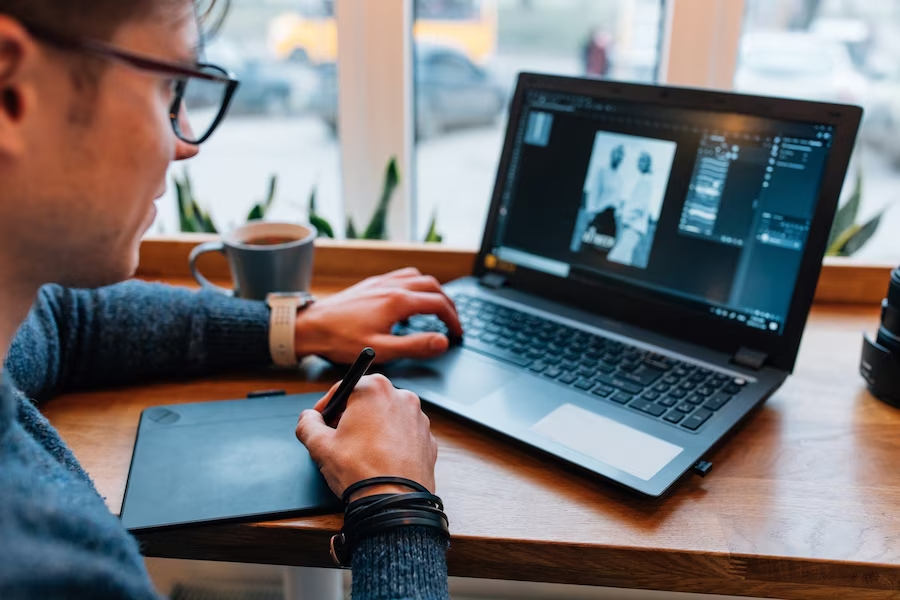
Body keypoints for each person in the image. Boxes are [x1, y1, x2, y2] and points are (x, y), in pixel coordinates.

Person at [0, 1, 458, 598]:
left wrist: (301, 325)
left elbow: (64, 319)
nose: (185, 144)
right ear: (13, 90)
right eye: (169, 86)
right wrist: (396, 503)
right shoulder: (44, 566)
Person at [570, 143, 625, 253]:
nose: (618, 157)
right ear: (612, 154)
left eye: (621, 155)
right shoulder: (602, 170)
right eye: (617, 153)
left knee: (604, 250)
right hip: (598, 215)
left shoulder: (619, 178)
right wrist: (591, 213)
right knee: (588, 247)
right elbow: (594, 192)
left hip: (611, 218)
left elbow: (617, 200)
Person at [608, 151, 653, 267]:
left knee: (615, 259)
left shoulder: (646, 181)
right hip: (631, 226)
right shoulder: (643, 180)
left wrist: (626, 218)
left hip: (633, 227)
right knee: (623, 259)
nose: (639, 163)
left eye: (642, 161)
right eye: (638, 161)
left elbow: (640, 206)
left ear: (648, 164)